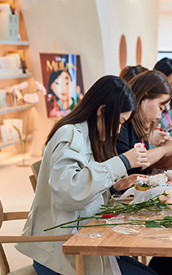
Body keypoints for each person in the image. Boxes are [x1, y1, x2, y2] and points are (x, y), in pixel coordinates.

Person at [15, 75, 157, 275]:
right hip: (61, 252)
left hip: (80, 241)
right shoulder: (69, 134)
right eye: (119, 122)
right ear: (102, 111)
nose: (117, 131)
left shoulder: (86, 135)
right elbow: (70, 194)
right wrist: (124, 161)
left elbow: (81, 186)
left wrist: (113, 188)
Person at [117, 70, 172, 175]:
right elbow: (127, 166)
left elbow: (144, 168)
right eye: (160, 108)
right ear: (145, 97)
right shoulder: (123, 124)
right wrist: (164, 150)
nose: (158, 115)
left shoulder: (139, 126)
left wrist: (168, 157)